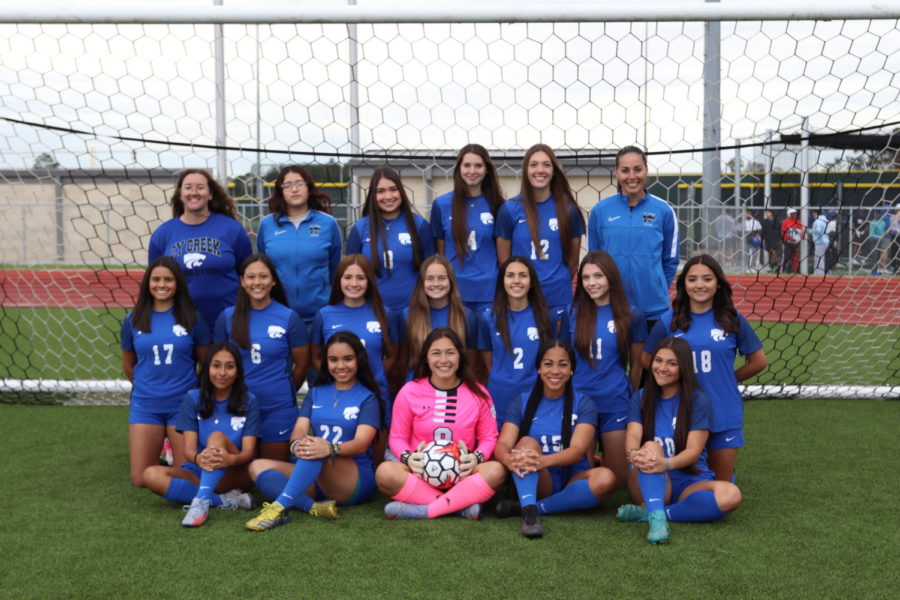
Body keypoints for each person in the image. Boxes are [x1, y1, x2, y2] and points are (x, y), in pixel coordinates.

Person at [643, 255, 767, 482]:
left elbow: (759, 361)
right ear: (683, 285)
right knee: (679, 483)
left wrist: (728, 379)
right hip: (680, 412)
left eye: (707, 279)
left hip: (722, 410)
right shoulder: (668, 320)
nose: (699, 285)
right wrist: (671, 378)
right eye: (692, 279)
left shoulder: (732, 319)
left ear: (718, 283)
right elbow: (646, 359)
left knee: (720, 487)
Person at [243, 331, 383, 529]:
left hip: (352, 478)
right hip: (315, 472)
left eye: (348, 359)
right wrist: (295, 447)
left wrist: (329, 449)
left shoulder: (367, 397)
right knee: (256, 467)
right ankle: (314, 507)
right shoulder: (316, 392)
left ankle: (278, 508)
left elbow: (361, 444)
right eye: (333, 359)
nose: (340, 366)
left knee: (316, 447)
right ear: (326, 362)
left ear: (358, 360)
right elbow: (299, 429)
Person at [618, 337, 741, 544]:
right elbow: (633, 435)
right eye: (658, 360)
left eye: (672, 363)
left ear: (683, 367)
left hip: (689, 483)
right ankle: (657, 523)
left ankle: (652, 513)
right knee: (650, 446)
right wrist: (633, 454)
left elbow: (693, 450)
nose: (662, 368)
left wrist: (665, 463)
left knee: (731, 494)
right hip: (650, 481)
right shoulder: (641, 397)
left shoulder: (697, 400)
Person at [375, 328, 505, 520]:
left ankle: (425, 510)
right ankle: (459, 506)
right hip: (418, 473)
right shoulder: (410, 391)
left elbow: (488, 437)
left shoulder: (479, 393)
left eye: (450, 352)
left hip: (462, 474)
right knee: (385, 472)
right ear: (426, 358)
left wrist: (477, 458)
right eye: (436, 353)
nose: (443, 360)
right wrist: (409, 459)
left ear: (460, 356)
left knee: (496, 471)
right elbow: (397, 437)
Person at [493, 339, 617, 538]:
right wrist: (508, 460)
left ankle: (528, 508)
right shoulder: (522, 401)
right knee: (526, 443)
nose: (555, 371)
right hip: (538, 479)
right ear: (539, 368)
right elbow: (503, 444)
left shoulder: (584, 403)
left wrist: (543, 461)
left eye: (563, 364)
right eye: (548, 364)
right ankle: (530, 518)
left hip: (570, 478)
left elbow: (577, 451)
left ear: (572, 370)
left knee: (606, 478)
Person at [142, 341, 260, 527]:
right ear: (206, 368)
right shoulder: (192, 398)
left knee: (216, 437)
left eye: (229, 366)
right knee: (151, 475)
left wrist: (229, 459)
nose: (222, 373)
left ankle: (200, 503)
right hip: (201, 468)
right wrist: (199, 459)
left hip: (235, 471)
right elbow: (188, 451)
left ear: (238, 371)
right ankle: (229, 501)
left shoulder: (249, 400)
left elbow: (248, 452)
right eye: (216, 365)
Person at [121, 257, 211, 487]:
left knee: (188, 476)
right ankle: (163, 448)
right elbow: (129, 364)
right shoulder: (133, 319)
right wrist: (146, 387)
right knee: (140, 480)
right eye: (156, 279)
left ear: (177, 283)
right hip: (146, 406)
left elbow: (206, 363)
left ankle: (172, 446)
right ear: (148, 283)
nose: (162, 284)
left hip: (180, 406)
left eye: (169, 279)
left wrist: (192, 395)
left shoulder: (192, 318)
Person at [214, 254, 309, 461]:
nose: (257, 282)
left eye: (263, 276)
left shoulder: (289, 317)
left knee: (269, 471)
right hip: (237, 405)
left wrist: (282, 391)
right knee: (239, 472)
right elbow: (216, 364)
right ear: (242, 281)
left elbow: (302, 365)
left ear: (273, 280)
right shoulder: (227, 317)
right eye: (251, 277)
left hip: (277, 408)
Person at [570, 251, 646, 487]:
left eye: (598, 276)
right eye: (585, 278)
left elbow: (636, 367)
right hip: (581, 402)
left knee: (619, 481)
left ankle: (599, 459)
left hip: (615, 401)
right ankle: (591, 459)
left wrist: (629, 397)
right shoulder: (573, 313)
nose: (591, 283)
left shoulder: (632, 314)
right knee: (579, 479)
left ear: (610, 277)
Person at [588, 146, 679, 331]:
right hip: (612, 309)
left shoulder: (664, 211)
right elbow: (594, 260)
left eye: (637, 169)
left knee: (650, 361)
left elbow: (670, 260)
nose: (632, 176)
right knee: (612, 361)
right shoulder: (600, 211)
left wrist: (655, 287)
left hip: (653, 311)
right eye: (625, 170)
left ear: (646, 170)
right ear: (616, 173)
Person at [148, 169, 252, 330]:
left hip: (228, 323)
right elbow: (153, 280)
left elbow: (247, 274)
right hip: (181, 324)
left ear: (210, 194)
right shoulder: (163, 234)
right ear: (180, 194)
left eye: (200, 187)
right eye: (188, 187)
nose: (194, 192)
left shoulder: (232, 229)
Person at [476, 256, 569, 426]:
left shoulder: (545, 318)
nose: (516, 281)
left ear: (531, 282)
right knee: (501, 450)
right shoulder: (487, 318)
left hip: (535, 394)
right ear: (502, 281)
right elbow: (487, 365)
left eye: (523, 275)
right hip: (500, 396)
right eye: (510, 275)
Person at [496, 144, 584, 315]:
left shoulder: (569, 210)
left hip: (558, 296)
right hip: (523, 297)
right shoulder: (509, 209)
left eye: (546, 164)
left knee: (558, 342)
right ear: (526, 170)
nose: (540, 170)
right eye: (534, 164)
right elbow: (504, 263)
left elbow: (573, 263)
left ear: (554, 171)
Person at [309, 254, 399, 421]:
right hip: (338, 395)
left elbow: (393, 355)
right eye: (348, 277)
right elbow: (314, 357)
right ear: (339, 280)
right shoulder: (324, 315)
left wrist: (371, 376)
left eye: (360, 278)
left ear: (369, 281)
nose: (354, 284)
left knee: (375, 445)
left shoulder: (384, 314)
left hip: (375, 392)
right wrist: (338, 376)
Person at [256, 165, 343, 326]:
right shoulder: (267, 225)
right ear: (280, 191)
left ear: (309, 188)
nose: (294, 189)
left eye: (299, 183)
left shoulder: (328, 223)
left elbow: (335, 268)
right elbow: (263, 268)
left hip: (320, 316)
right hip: (278, 316)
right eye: (287, 185)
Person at [346, 167, 435, 311]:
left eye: (393, 189)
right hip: (373, 311)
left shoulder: (420, 226)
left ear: (401, 191)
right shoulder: (360, 228)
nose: (388, 196)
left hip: (414, 311)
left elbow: (431, 272)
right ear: (373, 195)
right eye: (380, 191)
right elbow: (349, 274)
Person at [431, 144, 505, 313]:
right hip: (455, 293)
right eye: (467, 165)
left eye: (478, 165)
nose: (472, 171)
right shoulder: (441, 205)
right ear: (459, 169)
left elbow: (503, 255)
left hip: (490, 292)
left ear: (486, 170)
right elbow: (441, 252)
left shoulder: (499, 205)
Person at [397, 256, 478, 380]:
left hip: (455, 385)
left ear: (451, 281)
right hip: (418, 386)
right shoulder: (406, 316)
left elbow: (471, 361)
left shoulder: (467, 317)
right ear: (422, 283)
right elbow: (403, 359)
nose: (436, 284)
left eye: (442, 278)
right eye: (429, 279)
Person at [780, 208, 805, 274]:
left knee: (793, 258)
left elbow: (801, 232)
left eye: (795, 213)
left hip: (796, 243)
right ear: (790, 214)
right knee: (786, 257)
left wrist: (799, 238)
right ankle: (783, 270)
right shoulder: (785, 222)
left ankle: (791, 271)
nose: (795, 215)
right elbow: (783, 232)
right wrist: (788, 238)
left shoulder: (798, 222)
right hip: (787, 242)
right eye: (793, 213)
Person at [810, 208, 830, 275]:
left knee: (819, 258)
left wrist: (808, 231)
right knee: (820, 258)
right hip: (824, 241)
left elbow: (818, 231)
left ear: (815, 213)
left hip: (820, 242)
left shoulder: (818, 221)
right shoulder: (824, 220)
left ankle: (820, 274)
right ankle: (818, 273)